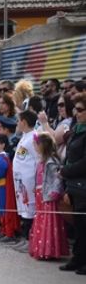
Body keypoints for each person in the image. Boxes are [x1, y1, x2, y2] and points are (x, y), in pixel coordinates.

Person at [28, 132, 68, 260]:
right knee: (41, 221)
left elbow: (58, 178)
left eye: (36, 144)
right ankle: (41, 249)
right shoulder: (41, 161)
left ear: (43, 146)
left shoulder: (52, 161)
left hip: (49, 195)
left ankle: (50, 250)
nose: (35, 146)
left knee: (50, 222)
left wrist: (56, 191)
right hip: (41, 194)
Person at [60, 93, 86, 274]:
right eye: (75, 109)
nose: (76, 113)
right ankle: (77, 259)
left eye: (80, 110)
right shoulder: (77, 129)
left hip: (83, 184)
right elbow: (70, 156)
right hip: (74, 184)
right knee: (78, 224)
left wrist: (65, 171)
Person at [12, 111, 39, 250]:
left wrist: (37, 180)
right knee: (23, 209)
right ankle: (24, 238)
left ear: (24, 122)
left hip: (29, 181)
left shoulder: (34, 136)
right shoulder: (24, 136)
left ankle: (30, 240)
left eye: (18, 121)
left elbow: (38, 159)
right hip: (20, 181)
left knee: (29, 209)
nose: (17, 123)